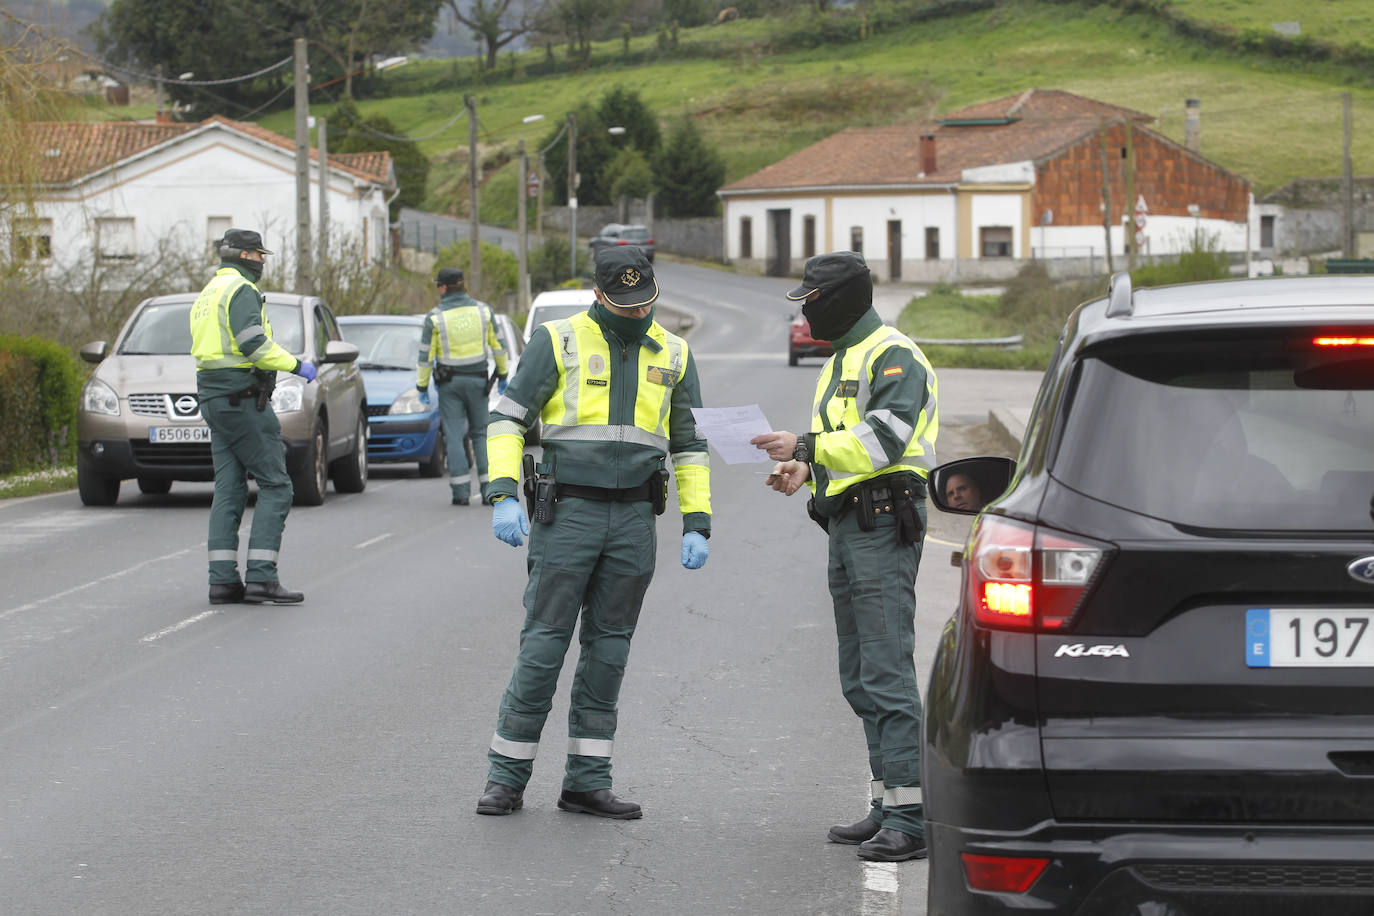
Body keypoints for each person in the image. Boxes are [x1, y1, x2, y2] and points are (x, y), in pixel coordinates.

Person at [477, 246, 712, 820]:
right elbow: (507, 418)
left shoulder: (675, 353)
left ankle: (587, 780)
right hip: (569, 513)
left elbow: (689, 444)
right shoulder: (557, 340)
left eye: (646, 303)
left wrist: (698, 522)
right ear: (599, 295)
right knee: (544, 644)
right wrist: (504, 493)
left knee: (609, 650)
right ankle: (505, 778)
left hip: (634, 518)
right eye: (624, 304)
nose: (637, 313)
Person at [750, 251, 938, 863]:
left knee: (886, 668)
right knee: (859, 674)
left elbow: (883, 440)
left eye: (811, 299)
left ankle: (910, 818)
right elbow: (844, 449)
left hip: (883, 525)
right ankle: (887, 802)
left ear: (839, 299)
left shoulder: (893, 355)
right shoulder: (841, 361)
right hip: (849, 523)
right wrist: (803, 470)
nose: (805, 311)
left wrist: (806, 444)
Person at [190, 229, 316, 605]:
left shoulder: (208, 293)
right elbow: (253, 344)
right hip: (243, 399)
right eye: (259, 255)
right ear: (245, 256)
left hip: (214, 398)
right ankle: (262, 577)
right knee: (277, 485)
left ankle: (223, 581)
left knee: (228, 488)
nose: (262, 262)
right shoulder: (240, 290)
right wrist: (297, 365)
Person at [416, 267, 508, 506]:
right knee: (481, 434)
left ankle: (461, 492)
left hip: (450, 385)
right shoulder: (483, 311)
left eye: (438, 285)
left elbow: (425, 357)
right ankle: (490, 490)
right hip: (479, 382)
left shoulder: (435, 318)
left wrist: (422, 386)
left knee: (454, 435)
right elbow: (498, 346)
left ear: (444, 288)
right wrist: (503, 374)